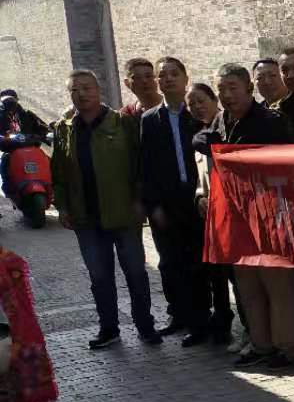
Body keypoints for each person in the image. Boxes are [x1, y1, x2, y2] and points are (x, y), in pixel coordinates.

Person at [195, 64, 294, 369]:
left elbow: (288, 164)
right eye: (221, 89)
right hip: (236, 216)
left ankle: (289, 347)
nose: (227, 95)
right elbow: (200, 139)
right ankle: (261, 343)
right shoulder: (221, 120)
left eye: (232, 87)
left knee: (278, 285)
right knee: (248, 285)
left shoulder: (271, 121)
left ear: (248, 88)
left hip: (270, 212)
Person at [51, 70, 161, 349]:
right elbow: (59, 172)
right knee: (99, 277)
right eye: (75, 90)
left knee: (136, 273)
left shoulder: (122, 122)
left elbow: (140, 166)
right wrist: (62, 206)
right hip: (85, 217)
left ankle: (145, 326)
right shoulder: (64, 128)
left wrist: (139, 201)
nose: (81, 94)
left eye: (86, 87)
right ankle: (109, 329)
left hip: (123, 213)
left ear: (98, 90)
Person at [140, 56, 213, 347]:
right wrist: (153, 206)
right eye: (163, 75)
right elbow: (146, 165)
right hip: (166, 203)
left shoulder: (196, 114)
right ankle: (179, 315)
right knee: (170, 263)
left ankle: (201, 320)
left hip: (196, 198)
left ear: (185, 78)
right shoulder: (149, 119)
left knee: (198, 262)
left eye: (174, 73)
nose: (168, 79)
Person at [185, 82, 238, 349]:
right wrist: (199, 197)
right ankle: (222, 324)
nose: (197, 107)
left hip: (234, 214)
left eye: (201, 100)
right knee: (216, 274)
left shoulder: (225, 129)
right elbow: (200, 179)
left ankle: (251, 331)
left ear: (214, 99)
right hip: (211, 217)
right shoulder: (199, 135)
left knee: (238, 278)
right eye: (191, 104)